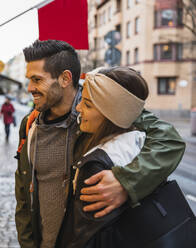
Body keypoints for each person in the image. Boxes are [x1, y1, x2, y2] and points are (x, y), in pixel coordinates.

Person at [15, 40, 185, 248]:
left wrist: (127, 182)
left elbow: (169, 140)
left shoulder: (102, 105)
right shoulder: (30, 124)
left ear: (65, 78)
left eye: (37, 79)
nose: (30, 88)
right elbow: (24, 195)